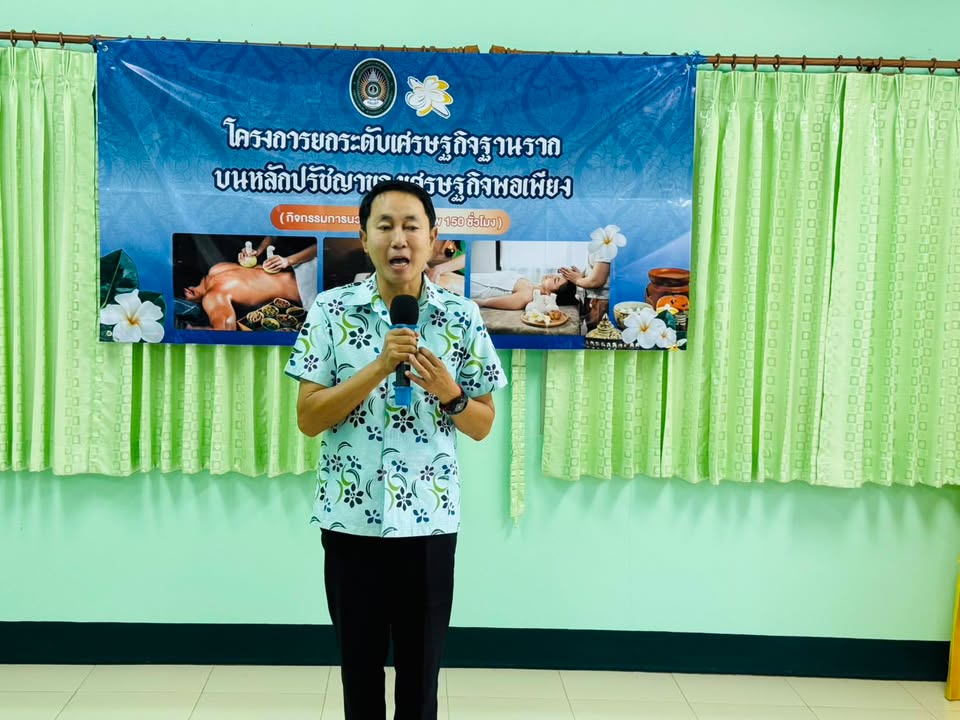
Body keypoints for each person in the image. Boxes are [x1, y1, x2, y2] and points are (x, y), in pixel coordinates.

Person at [286, 180, 507, 720]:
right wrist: (379, 367)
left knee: (420, 679)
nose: (398, 239)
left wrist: (451, 393)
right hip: (350, 523)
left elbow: (482, 425)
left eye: (411, 226)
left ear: (434, 238)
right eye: (384, 226)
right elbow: (309, 418)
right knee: (359, 675)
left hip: (428, 525)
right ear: (364, 239)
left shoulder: (461, 316)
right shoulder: (330, 310)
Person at [182, 261, 302, 330]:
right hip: (303, 271)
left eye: (186, 299)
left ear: (188, 291)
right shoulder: (218, 268)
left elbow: (226, 331)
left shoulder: (213, 295)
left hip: (305, 293)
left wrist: (194, 330)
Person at [470, 270, 577, 310]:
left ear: (550, 294)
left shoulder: (527, 295)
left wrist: (474, 302)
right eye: (557, 275)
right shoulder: (530, 284)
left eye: (556, 280)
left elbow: (484, 302)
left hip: (470, 286)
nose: (552, 276)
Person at [560, 251, 611, 330]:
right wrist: (582, 277)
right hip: (594, 299)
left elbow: (596, 281)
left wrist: (577, 280)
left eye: (556, 280)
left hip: (600, 301)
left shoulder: (604, 248)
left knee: (597, 334)